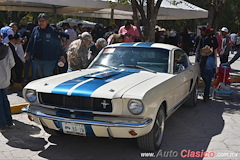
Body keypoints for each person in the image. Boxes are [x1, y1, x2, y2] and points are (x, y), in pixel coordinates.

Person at [25, 13, 66, 78]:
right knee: (41, 76)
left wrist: (61, 55)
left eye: (43, 21)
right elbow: (31, 41)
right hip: (38, 58)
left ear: (47, 21)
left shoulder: (52, 30)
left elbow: (58, 44)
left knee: (47, 76)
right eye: (39, 21)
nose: (41, 23)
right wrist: (27, 52)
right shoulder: (35, 29)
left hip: (49, 59)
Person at [0, 33, 15, 132]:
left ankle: (2, 126)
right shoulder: (7, 48)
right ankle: (9, 122)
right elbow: (12, 63)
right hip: (5, 79)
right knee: (5, 100)